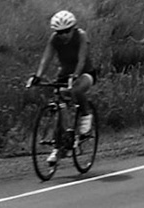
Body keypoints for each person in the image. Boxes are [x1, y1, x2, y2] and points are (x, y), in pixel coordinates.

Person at [28, 10, 95, 159]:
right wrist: (38, 76)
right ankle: (60, 146)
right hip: (64, 74)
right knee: (59, 104)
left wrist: (75, 75)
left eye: (67, 31)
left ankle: (86, 115)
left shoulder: (81, 36)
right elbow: (46, 58)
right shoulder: (54, 39)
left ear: (73, 28)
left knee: (76, 90)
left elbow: (82, 59)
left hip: (84, 72)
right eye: (60, 32)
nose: (63, 35)